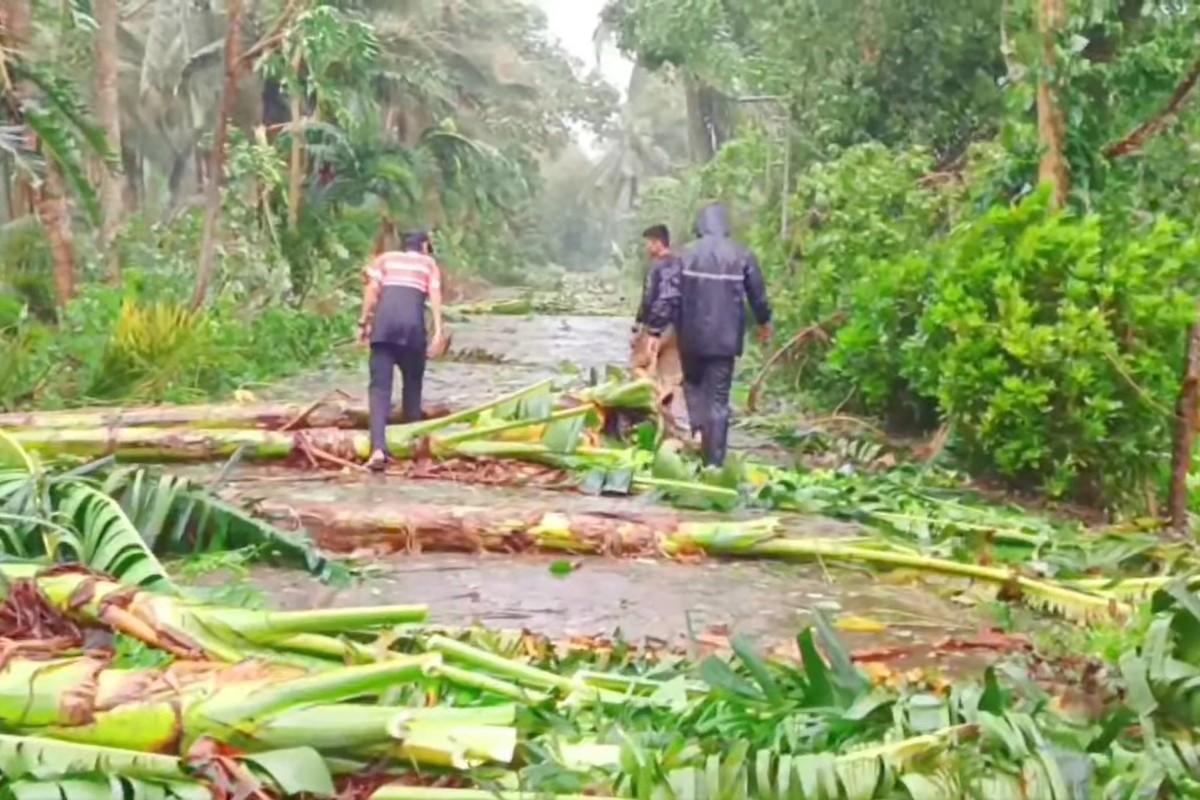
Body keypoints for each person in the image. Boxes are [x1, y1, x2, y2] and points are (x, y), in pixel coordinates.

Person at [674, 202, 772, 467]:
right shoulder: (742, 255)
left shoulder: (685, 255)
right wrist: (765, 322)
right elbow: (758, 296)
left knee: (693, 388)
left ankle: (697, 436)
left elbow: (670, 295)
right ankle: (714, 462)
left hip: (690, 340)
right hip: (725, 342)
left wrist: (657, 329)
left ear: (701, 225)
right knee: (718, 400)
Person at [357, 228, 446, 472]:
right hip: (412, 329)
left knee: (379, 390)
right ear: (425, 246)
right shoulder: (429, 264)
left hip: (383, 328)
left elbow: (372, 292)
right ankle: (413, 447)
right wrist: (438, 331)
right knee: (413, 386)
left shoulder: (384, 259)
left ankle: (377, 449)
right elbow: (435, 295)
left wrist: (363, 323)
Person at [630, 224, 684, 429]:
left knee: (638, 366)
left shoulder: (659, 267)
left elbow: (656, 298)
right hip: (679, 328)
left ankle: (651, 407)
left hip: (658, 326)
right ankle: (666, 423)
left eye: (648, 243)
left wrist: (648, 329)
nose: (647, 248)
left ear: (657, 243)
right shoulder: (681, 264)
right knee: (668, 376)